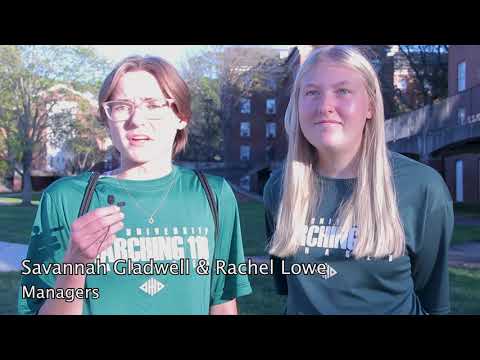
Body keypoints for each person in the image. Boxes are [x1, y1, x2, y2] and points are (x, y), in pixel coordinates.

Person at [18, 55, 252, 315]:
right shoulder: (65, 199)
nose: (137, 120)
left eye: (153, 105)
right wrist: (75, 262)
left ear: (181, 117)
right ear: (106, 118)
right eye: (121, 106)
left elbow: (222, 304)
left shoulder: (213, 195)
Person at [263, 46, 453, 315]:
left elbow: (433, 299)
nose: (325, 106)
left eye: (342, 91)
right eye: (312, 93)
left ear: (370, 106)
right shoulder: (280, 188)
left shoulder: (423, 188)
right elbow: (289, 288)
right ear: (297, 106)